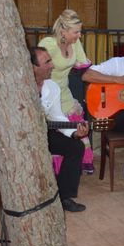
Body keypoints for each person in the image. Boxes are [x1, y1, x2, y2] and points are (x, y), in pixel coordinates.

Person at [30, 46, 88, 212]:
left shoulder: (52, 87)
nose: (52, 65)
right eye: (47, 62)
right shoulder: (13, 87)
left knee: (76, 147)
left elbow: (56, 117)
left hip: (42, 133)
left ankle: (64, 197)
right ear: (32, 67)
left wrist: (75, 132)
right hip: (18, 139)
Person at [39, 9, 93, 173]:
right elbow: (36, 67)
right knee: (56, 135)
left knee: (74, 133)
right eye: (76, 32)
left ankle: (68, 173)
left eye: (80, 31)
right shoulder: (48, 44)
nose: (79, 35)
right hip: (48, 95)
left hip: (65, 94)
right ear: (63, 31)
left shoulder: (75, 43)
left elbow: (83, 66)